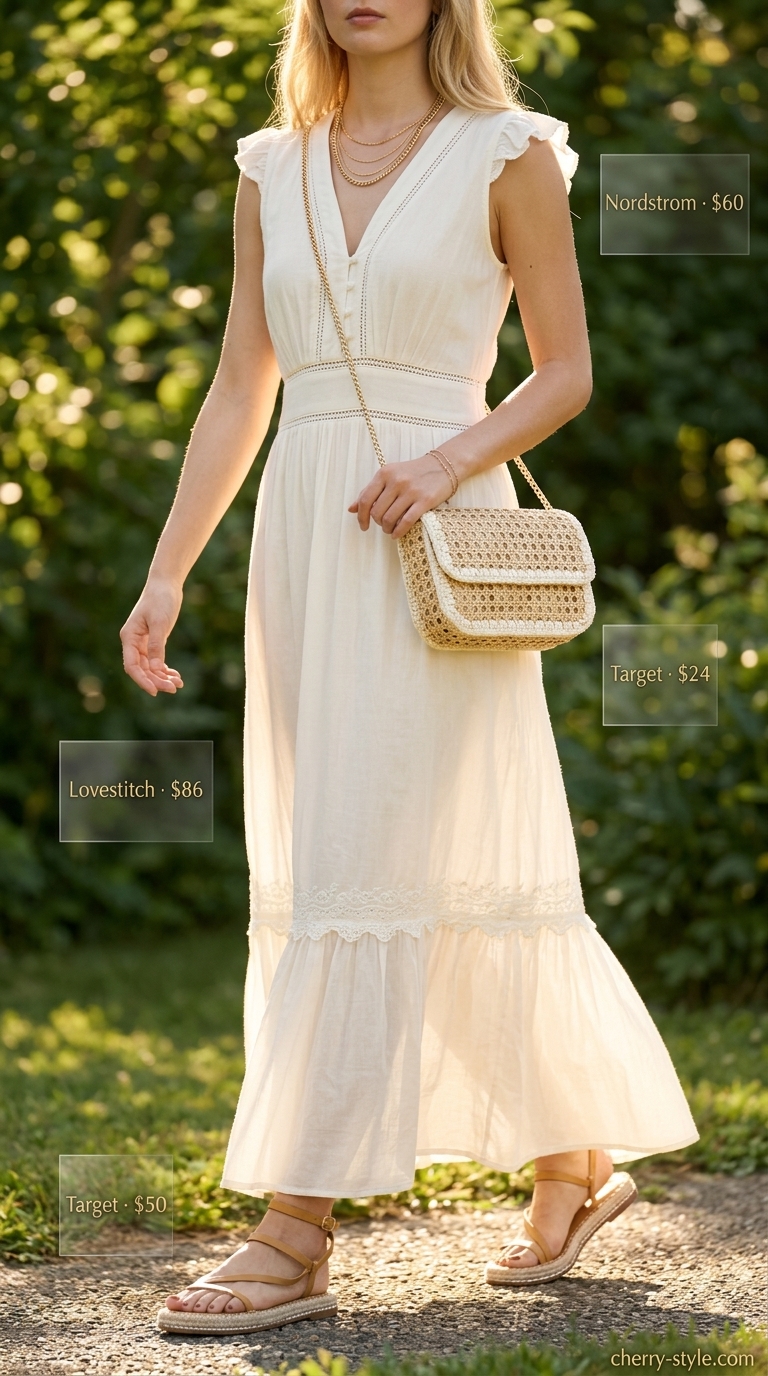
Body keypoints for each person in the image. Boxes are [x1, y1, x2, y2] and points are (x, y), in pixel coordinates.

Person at [120, 0, 698, 1336]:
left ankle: (295, 1224)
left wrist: (449, 462)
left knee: (400, 850)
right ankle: (575, 1160)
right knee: (338, 852)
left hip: (447, 539)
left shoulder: (512, 155)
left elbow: (565, 372)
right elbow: (237, 390)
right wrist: (166, 571)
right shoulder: (273, 167)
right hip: (306, 538)